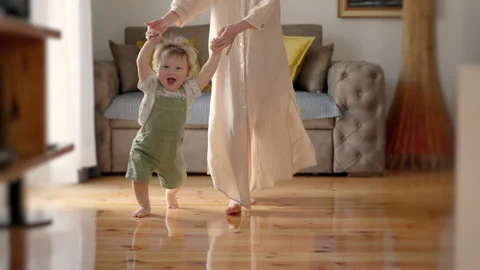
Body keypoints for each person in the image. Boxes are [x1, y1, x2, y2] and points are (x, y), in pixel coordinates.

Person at [146, 0, 317, 215]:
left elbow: (268, 5)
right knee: (232, 116)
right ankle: (236, 192)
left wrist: (237, 28)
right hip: (227, 53)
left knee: (263, 118)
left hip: (263, 52)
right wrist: (166, 20)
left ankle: (249, 184)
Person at [127, 27, 227, 218]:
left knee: (177, 181)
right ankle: (145, 206)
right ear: (157, 69)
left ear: (188, 74)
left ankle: (170, 195)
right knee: (138, 177)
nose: (170, 71)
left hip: (171, 150)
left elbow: (207, 72)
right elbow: (141, 61)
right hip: (145, 146)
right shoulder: (151, 85)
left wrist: (215, 53)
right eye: (165, 67)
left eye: (178, 68)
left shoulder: (188, 91)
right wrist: (152, 43)